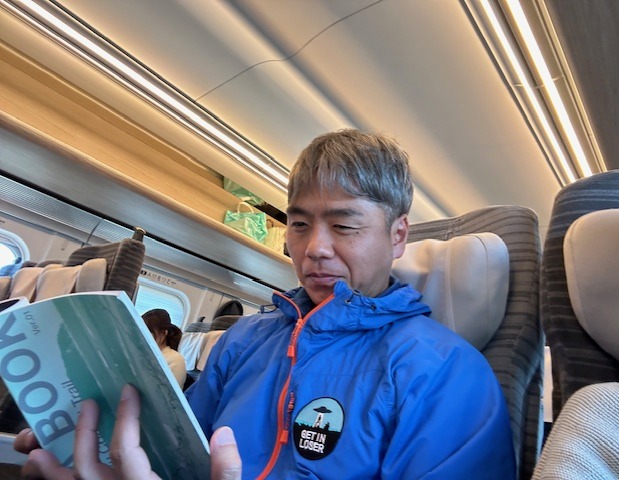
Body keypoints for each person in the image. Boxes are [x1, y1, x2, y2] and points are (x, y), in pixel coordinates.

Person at [14, 129, 516, 479]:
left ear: (398, 234)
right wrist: (100, 441)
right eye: (299, 224)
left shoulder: (448, 373)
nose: (314, 248)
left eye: (343, 225)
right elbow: (181, 455)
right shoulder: (244, 339)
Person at [142, 309, 187, 389]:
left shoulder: (175, 359)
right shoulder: (145, 354)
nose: (144, 336)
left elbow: (168, 393)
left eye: (149, 332)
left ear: (164, 333)